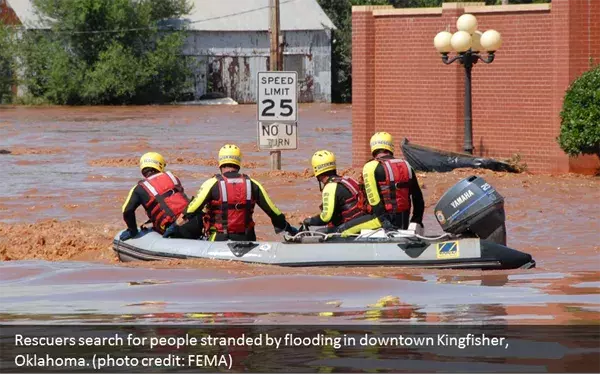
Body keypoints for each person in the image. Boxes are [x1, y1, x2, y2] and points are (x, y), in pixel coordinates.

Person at [175, 144, 298, 241]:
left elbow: (191, 209)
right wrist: (288, 228)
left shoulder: (211, 183)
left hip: (218, 239)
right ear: (238, 162)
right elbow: (273, 212)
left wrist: (173, 228)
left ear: (220, 163)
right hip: (247, 239)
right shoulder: (253, 184)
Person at [120, 152, 203, 241]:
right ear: (160, 165)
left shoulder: (139, 189)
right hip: (197, 219)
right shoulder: (173, 178)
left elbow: (127, 210)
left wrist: (133, 231)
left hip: (176, 229)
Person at [302, 150, 382, 237]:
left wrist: (308, 221)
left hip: (351, 228)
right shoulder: (347, 179)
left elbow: (326, 218)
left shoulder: (330, 187)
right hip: (363, 222)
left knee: (320, 232)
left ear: (317, 171)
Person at [362, 132, 425, 233]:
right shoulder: (406, 165)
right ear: (391, 147)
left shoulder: (370, 167)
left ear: (373, 147)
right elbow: (418, 199)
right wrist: (416, 220)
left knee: (345, 229)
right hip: (403, 221)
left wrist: (385, 223)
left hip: (382, 223)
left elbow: (373, 200)